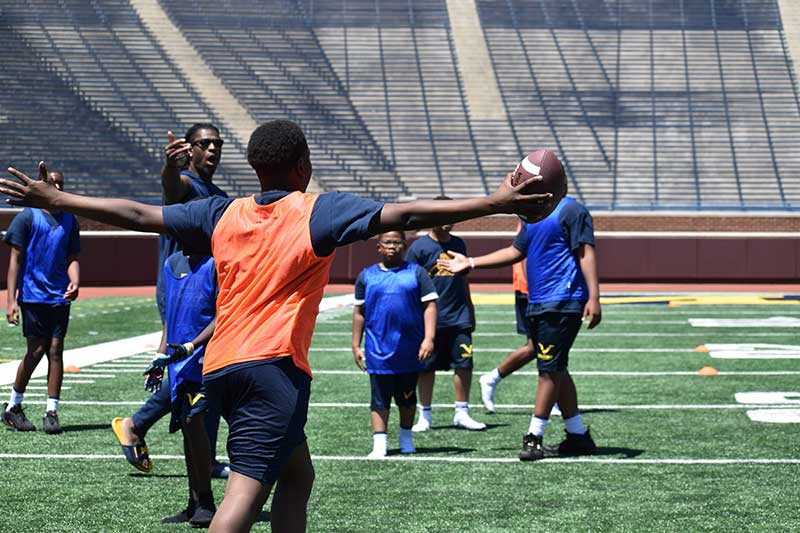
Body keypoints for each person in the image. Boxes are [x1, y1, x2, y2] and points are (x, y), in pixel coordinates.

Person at [1, 118, 553, 532]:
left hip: (219, 365)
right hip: (272, 371)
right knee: (243, 496)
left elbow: (140, 215)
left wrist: (56, 197)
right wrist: (498, 200)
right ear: (301, 167)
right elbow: (404, 216)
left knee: (297, 476)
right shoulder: (315, 210)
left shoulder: (224, 212)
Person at [437, 194, 601, 461]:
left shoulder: (571, 209)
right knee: (556, 366)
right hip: (537, 300)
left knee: (548, 370)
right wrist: (471, 262)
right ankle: (578, 436)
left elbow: (585, 251)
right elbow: (516, 251)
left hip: (562, 300)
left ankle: (534, 437)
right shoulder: (532, 214)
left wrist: (594, 295)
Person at [111, 124, 229, 477]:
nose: (212, 149)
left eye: (217, 143)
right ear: (189, 149)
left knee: (203, 371)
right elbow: (170, 188)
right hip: (183, 288)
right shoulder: (187, 184)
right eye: (204, 143)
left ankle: (197, 454)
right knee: (196, 372)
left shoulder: (215, 191)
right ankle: (136, 424)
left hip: (204, 288)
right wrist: (169, 168)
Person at [141, 250, 218, 527]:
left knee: (195, 422)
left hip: (212, 361)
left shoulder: (216, 262)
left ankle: (209, 502)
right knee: (188, 429)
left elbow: (223, 315)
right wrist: (158, 359)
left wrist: (192, 345)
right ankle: (195, 502)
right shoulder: (171, 264)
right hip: (179, 365)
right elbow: (169, 320)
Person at [2, 169, 79, 435]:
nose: (56, 187)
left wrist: (75, 281)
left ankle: (52, 411)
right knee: (35, 352)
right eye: (51, 183)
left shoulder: (70, 219)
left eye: (60, 184)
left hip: (59, 296)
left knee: (56, 351)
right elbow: (15, 261)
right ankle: (13, 407)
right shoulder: (27, 217)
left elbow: (72, 257)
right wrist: (10, 300)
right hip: (33, 296)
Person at [351, 230, 438, 459]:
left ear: (405, 246)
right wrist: (355, 344)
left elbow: (430, 306)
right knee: (379, 399)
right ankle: (380, 443)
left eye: (397, 242)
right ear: (378, 246)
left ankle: (406, 437)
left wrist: (428, 338)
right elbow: (359, 312)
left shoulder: (417, 273)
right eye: (387, 242)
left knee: (407, 399)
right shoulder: (367, 275)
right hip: (378, 349)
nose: (392, 246)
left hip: (409, 349)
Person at [405, 198, 485, 432]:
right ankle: (425, 415)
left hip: (458, 316)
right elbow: (411, 283)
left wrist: (470, 309)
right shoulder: (419, 248)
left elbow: (463, 279)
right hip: (429, 320)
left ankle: (462, 412)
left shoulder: (459, 244)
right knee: (426, 367)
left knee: (464, 363)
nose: (448, 223)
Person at [479, 221, 535, 413]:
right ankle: (492, 377)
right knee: (542, 346)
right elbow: (526, 252)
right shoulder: (533, 218)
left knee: (545, 346)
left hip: (535, 289)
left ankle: (554, 397)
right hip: (532, 291)